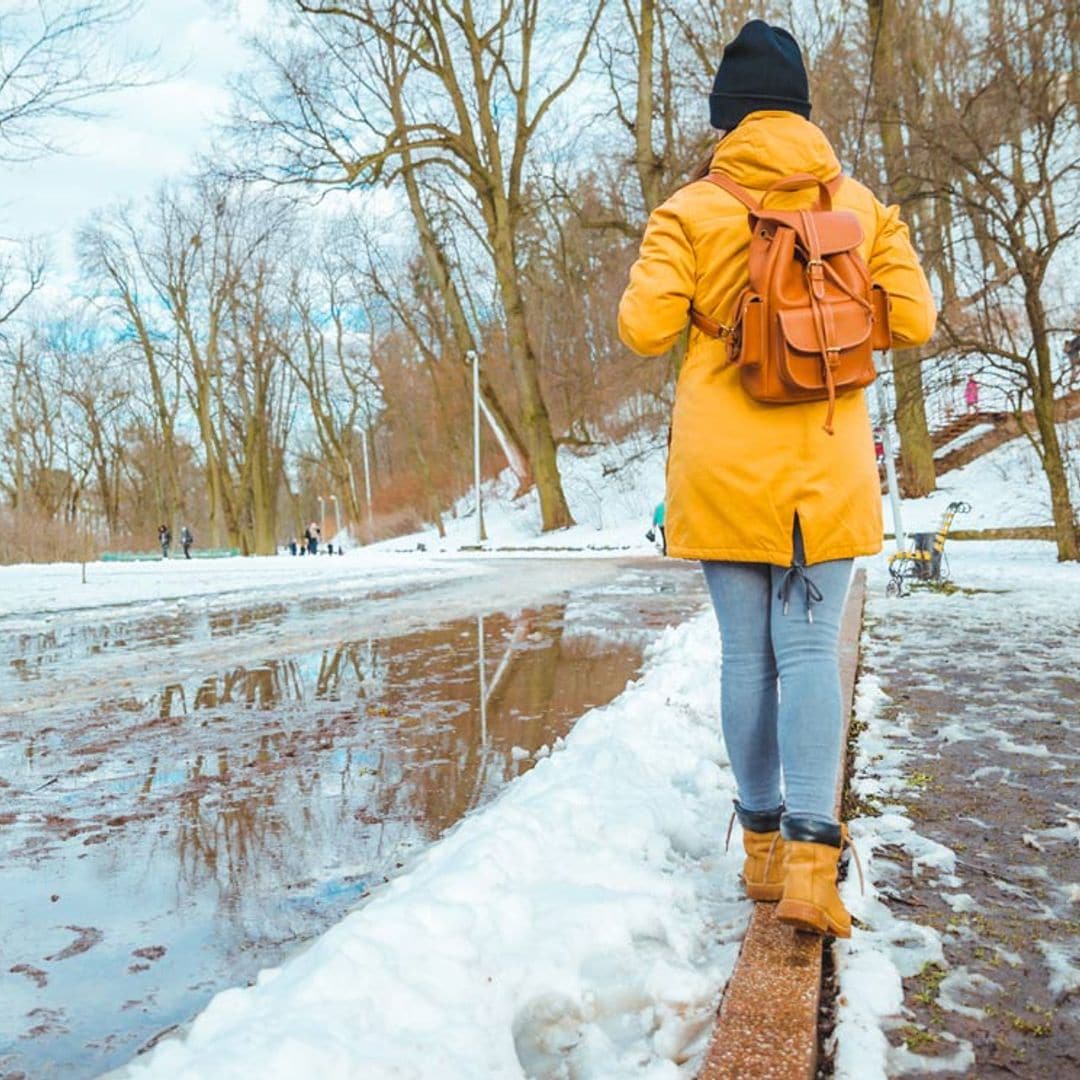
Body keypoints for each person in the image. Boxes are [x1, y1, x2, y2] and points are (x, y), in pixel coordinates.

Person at [618, 20, 935, 937]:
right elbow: (912, 318)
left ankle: (758, 856)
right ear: (803, 111)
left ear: (726, 120)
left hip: (721, 465)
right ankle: (812, 869)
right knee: (809, 655)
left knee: (746, 659)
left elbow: (643, 329)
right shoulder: (861, 203)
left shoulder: (689, 207)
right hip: (825, 458)